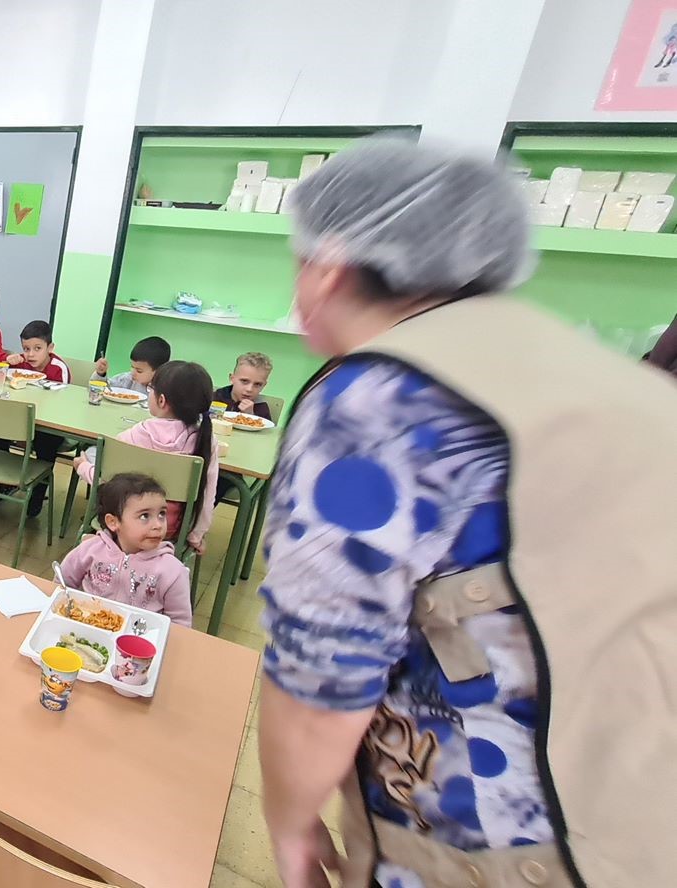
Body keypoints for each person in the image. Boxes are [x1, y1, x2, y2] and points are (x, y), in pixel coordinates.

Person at [258, 139, 677, 888]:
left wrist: (289, 819)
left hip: (493, 840)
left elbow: (322, 676)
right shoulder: (617, 382)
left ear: (324, 268)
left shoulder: (378, 401)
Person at [74, 361, 218, 554]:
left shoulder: (139, 433)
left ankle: (101, 545)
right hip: (170, 531)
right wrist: (195, 536)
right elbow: (208, 495)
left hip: (125, 527)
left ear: (161, 401)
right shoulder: (206, 440)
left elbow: (105, 480)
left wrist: (83, 467)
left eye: (151, 389)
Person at [59, 472, 192, 627]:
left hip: (139, 641)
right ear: (113, 522)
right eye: (144, 516)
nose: (158, 525)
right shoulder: (91, 549)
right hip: (87, 629)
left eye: (162, 514)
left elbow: (180, 624)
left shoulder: (173, 572)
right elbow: (62, 584)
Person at [0, 319, 71, 517]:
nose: (31, 354)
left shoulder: (57, 368)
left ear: (50, 347)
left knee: (46, 446)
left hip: (49, 424)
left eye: (38, 348)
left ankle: (37, 497)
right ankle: (2, 483)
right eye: (26, 348)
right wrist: (5, 360)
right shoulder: (22, 361)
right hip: (21, 418)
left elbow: (61, 399)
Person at [90, 335, 170, 395]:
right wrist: (100, 374)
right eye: (132, 367)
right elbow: (104, 389)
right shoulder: (126, 379)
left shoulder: (164, 390)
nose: (133, 372)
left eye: (139, 371)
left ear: (159, 371)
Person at [212, 351, 273, 420]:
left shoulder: (261, 409)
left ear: (264, 385)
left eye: (257, 384)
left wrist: (250, 416)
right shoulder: (214, 398)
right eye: (244, 381)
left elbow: (266, 429)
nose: (249, 389)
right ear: (232, 379)